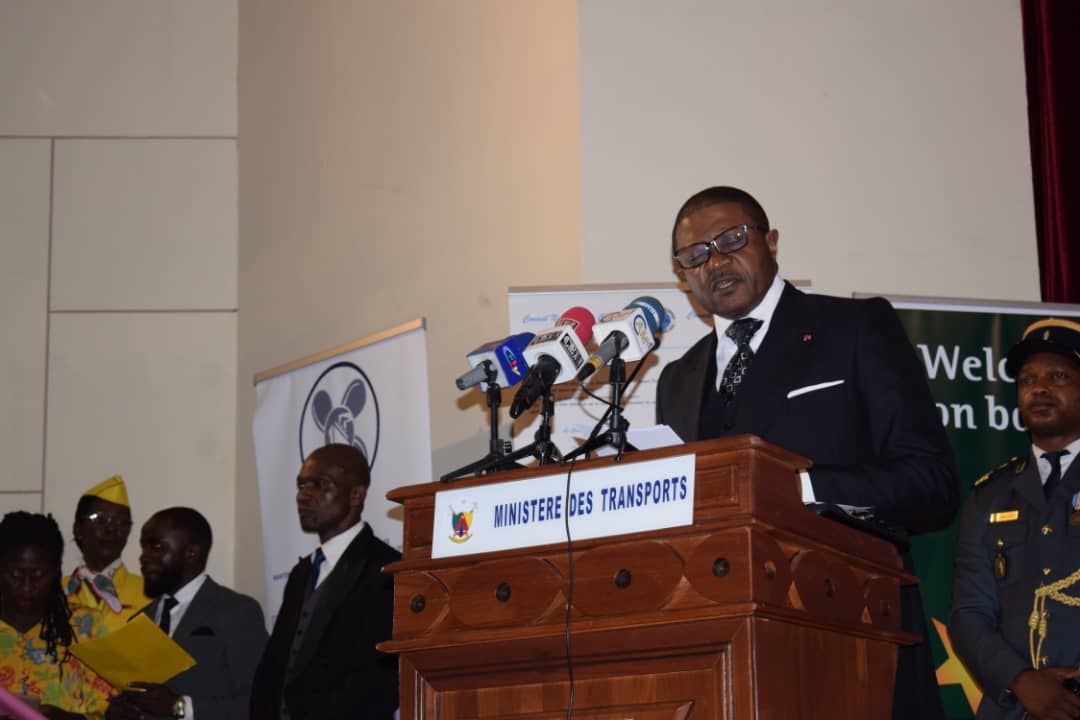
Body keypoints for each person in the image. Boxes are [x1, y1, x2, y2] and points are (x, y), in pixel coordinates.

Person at [656, 185, 959, 719]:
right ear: (683, 277)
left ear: (771, 242)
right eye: (695, 255)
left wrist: (798, 488)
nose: (716, 262)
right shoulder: (677, 381)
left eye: (732, 240)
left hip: (853, 635)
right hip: (723, 657)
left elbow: (930, 481)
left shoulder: (855, 328)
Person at [950, 318, 1080, 720]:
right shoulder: (989, 495)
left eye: (1057, 376)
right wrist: (1020, 680)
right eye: (1027, 380)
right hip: (1015, 707)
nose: (1039, 388)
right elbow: (969, 612)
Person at [250, 443, 400, 720]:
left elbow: (381, 678)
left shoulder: (386, 568)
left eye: (320, 484)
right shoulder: (301, 573)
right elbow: (274, 667)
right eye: (301, 485)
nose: (303, 496)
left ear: (356, 495)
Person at [106, 507, 267, 720]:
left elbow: (261, 703)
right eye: (143, 547)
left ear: (192, 552)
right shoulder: (139, 620)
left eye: (156, 546)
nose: (143, 557)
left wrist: (181, 707)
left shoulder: (237, 612)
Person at [0, 511, 113, 719]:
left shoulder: (85, 626)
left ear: (55, 571)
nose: (27, 587)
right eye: (16, 574)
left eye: (38, 575)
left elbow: (112, 710)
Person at [63, 475, 149, 632]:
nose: (111, 528)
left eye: (122, 522)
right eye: (101, 519)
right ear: (78, 528)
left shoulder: (149, 595)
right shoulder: (54, 593)